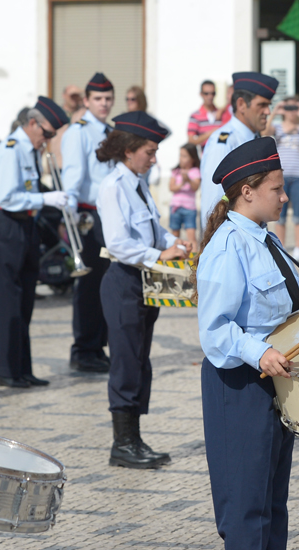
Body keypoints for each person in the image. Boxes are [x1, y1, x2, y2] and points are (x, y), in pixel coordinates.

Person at [195, 137, 299, 549]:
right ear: (247, 192)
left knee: (273, 500)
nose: (283, 196)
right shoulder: (227, 246)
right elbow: (215, 330)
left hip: (272, 379)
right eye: (276, 188)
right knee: (246, 505)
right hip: (239, 385)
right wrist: (261, 352)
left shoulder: (264, 237)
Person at [95, 111, 185, 469]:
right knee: (125, 362)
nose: (154, 158)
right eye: (149, 151)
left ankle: (135, 437)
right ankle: (123, 443)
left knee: (139, 360)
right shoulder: (113, 186)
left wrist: (176, 243)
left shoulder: (137, 183)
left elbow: (154, 230)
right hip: (123, 281)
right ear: (129, 150)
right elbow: (118, 243)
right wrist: (160, 254)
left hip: (144, 281)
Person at [0, 97, 71, 388]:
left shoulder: (30, 148)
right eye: (46, 134)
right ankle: (7, 370)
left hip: (26, 224)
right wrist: (44, 198)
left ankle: (23, 368)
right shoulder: (12, 149)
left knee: (24, 302)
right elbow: (8, 197)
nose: (47, 140)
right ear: (33, 123)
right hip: (7, 225)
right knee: (9, 301)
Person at [60, 72, 118, 373]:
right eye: (98, 99)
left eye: (108, 98)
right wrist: (69, 214)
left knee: (103, 283)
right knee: (88, 284)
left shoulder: (110, 130)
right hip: (86, 213)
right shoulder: (78, 132)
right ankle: (83, 348)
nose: (104, 104)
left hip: (106, 214)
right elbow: (73, 177)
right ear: (86, 100)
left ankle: (97, 346)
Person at [200, 73, 278, 231]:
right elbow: (213, 203)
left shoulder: (254, 139)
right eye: (262, 105)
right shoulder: (224, 142)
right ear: (241, 104)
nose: (268, 112)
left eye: (268, 105)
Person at [263, 96, 299, 258]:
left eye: (294, 108)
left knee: (298, 214)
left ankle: (298, 247)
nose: (291, 112)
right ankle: (281, 247)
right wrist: (274, 112)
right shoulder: (278, 127)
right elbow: (264, 132)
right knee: (279, 214)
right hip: (281, 177)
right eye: (288, 108)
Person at [167, 144, 200, 242]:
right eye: (180, 155)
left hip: (189, 208)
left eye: (185, 156)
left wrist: (188, 180)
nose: (181, 159)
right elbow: (171, 187)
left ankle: (193, 256)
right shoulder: (176, 171)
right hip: (175, 207)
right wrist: (182, 183)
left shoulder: (195, 171)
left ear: (193, 158)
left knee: (191, 235)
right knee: (175, 235)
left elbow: (195, 187)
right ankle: (176, 255)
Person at [188, 80, 229, 148]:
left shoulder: (222, 113)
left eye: (212, 93)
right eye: (206, 93)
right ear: (201, 94)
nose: (210, 96)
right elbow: (191, 141)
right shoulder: (195, 116)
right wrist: (211, 133)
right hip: (205, 156)